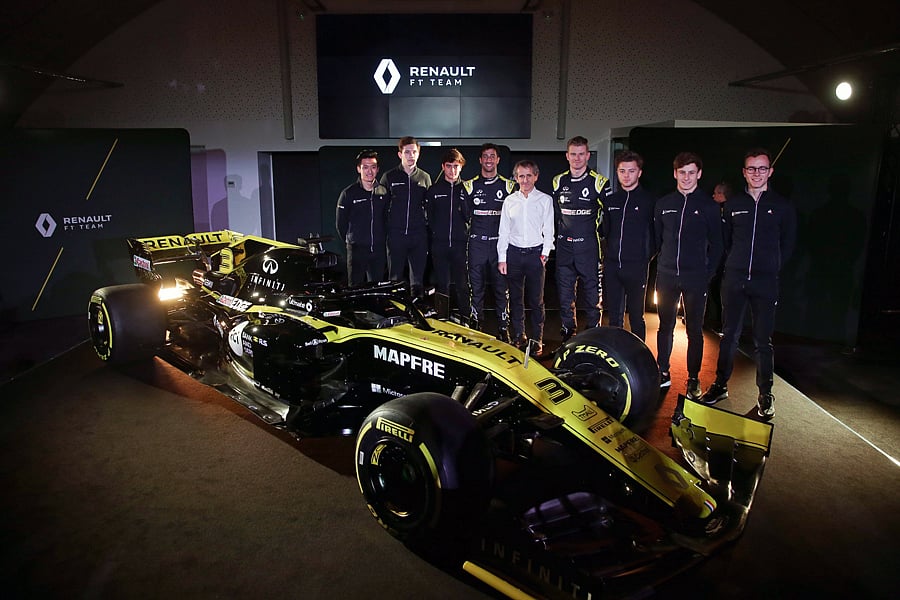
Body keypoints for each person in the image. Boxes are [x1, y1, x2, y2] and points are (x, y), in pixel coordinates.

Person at [700, 149, 797, 419]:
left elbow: (788, 243)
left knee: (762, 341)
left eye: (762, 168)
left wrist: (772, 267)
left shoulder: (782, 206)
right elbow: (727, 241)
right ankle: (720, 385)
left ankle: (765, 393)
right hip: (735, 279)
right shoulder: (733, 205)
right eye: (752, 169)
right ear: (744, 172)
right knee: (729, 335)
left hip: (765, 283)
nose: (757, 173)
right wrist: (735, 265)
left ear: (770, 172)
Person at [654, 152, 723, 398]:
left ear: (699, 174)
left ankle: (693, 379)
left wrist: (707, 273)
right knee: (665, 326)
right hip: (667, 275)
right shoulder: (663, 204)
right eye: (682, 172)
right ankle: (663, 371)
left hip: (696, 278)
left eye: (691, 172)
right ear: (675, 174)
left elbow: (718, 244)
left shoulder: (708, 206)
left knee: (694, 330)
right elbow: (657, 238)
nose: (686, 177)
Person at [551, 136, 609, 342]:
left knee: (592, 295)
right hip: (564, 248)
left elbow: (609, 216)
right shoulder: (558, 181)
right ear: (567, 156)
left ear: (588, 156)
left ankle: (594, 333)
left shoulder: (599, 182)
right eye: (573, 154)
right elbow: (553, 215)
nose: (577, 158)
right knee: (565, 294)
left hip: (589, 248)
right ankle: (568, 331)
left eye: (581, 154)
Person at [498, 160, 554, 355]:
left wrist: (545, 254)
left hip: (535, 255)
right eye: (521, 176)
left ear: (536, 176)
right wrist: (502, 258)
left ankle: (537, 339)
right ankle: (518, 336)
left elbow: (549, 229)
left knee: (536, 300)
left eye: (529, 175)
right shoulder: (509, 201)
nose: (525, 180)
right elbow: (503, 231)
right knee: (515, 299)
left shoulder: (545, 200)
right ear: (515, 178)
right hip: (513, 254)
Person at [601, 150, 656, 341]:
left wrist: (643, 258)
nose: (626, 175)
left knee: (636, 317)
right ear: (617, 172)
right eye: (622, 171)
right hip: (612, 266)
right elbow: (605, 231)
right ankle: (615, 355)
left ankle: (640, 358)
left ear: (639, 172)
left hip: (637, 266)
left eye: (631, 171)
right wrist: (608, 257)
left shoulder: (649, 201)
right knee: (614, 317)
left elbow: (656, 235)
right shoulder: (610, 201)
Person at [463, 143, 515, 341]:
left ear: (498, 160)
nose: (489, 160)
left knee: (501, 289)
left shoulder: (509, 186)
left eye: (492, 156)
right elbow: (465, 216)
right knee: (476, 288)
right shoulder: (469, 186)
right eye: (485, 156)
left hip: (499, 247)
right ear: (480, 160)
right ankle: (476, 325)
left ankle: (504, 328)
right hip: (476, 244)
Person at [380, 136, 432, 298]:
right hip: (396, 236)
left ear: (418, 154)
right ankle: (395, 314)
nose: (411, 155)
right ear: (400, 154)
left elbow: (430, 207)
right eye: (407, 152)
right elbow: (380, 207)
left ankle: (417, 314)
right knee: (394, 278)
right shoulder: (389, 177)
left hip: (418, 237)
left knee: (417, 279)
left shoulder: (425, 177)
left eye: (414, 152)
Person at [426, 148, 470, 317]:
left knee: (462, 285)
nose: (452, 170)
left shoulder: (466, 189)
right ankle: (442, 319)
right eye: (449, 166)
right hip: (440, 245)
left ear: (461, 167)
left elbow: (469, 217)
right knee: (442, 285)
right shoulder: (434, 190)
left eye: (456, 166)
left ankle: (466, 319)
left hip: (460, 245)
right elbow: (429, 217)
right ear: (443, 166)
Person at [335, 149, 388, 285]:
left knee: (377, 291)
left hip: (378, 250)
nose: (369, 171)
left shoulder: (384, 192)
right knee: (355, 289)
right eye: (365, 167)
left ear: (377, 170)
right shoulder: (348, 193)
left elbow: (387, 219)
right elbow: (341, 224)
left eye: (373, 167)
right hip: (357, 250)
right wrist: (352, 240)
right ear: (359, 169)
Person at [704, 180, 732, 333]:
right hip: (712, 258)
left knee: (720, 292)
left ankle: (723, 323)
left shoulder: (729, 212)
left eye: (716, 193)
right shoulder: (712, 211)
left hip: (725, 261)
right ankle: (706, 318)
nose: (713, 196)